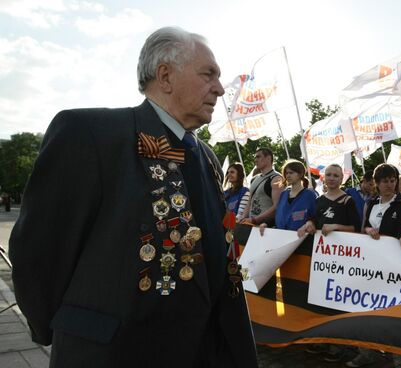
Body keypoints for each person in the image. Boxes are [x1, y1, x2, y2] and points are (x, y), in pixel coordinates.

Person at [8, 27, 257, 367]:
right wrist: (63, 327)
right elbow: (40, 252)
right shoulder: (92, 134)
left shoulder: (208, 158)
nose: (219, 88)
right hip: (118, 352)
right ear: (165, 76)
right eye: (208, 75)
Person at [346, 164, 401, 368]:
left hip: (393, 268)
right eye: (385, 181)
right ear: (376, 183)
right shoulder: (371, 203)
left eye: (392, 180)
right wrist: (368, 229)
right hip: (370, 266)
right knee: (366, 309)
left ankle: (399, 359)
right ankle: (366, 352)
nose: (389, 184)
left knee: (395, 314)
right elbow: (363, 229)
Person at [296, 163, 360, 363]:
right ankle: (323, 339)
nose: (332, 178)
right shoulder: (320, 200)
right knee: (321, 298)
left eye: (336, 175)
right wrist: (310, 224)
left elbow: (356, 228)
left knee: (338, 300)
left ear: (342, 179)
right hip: (323, 259)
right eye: (329, 175)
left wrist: (336, 227)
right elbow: (315, 220)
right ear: (324, 178)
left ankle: (339, 344)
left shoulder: (348, 200)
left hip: (342, 258)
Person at [259, 159, 316, 234]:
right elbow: (278, 215)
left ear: (300, 174)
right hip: (281, 237)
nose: (288, 175)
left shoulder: (309, 195)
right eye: (286, 173)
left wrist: (310, 222)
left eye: (291, 173)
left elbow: (315, 217)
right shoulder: (284, 194)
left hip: (301, 239)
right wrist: (266, 223)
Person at [242, 147, 282, 227]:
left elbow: (277, 206)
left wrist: (255, 219)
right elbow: (249, 202)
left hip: (266, 227)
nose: (256, 160)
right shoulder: (254, 179)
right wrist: (242, 217)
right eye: (255, 157)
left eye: (258, 157)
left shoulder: (276, 178)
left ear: (268, 158)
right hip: (251, 225)